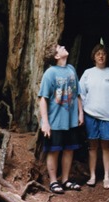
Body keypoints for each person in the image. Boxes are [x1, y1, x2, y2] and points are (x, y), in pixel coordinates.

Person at [79, 44, 109, 189]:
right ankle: (92, 176)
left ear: (106, 57)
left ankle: (107, 176)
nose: (101, 56)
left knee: (106, 145)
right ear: (93, 57)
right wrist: (84, 110)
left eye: (103, 54)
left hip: (108, 117)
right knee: (92, 146)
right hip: (90, 115)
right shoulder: (88, 73)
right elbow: (81, 94)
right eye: (98, 54)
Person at [38, 43, 84, 194]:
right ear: (56, 56)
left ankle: (65, 180)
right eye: (60, 47)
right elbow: (43, 99)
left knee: (69, 150)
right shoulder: (50, 73)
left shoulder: (71, 70)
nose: (64, 46)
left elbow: (77, 94)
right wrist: (45, 122)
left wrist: (80, 113)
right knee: (54, 150)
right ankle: (53, 181)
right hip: (55, 121)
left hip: (70, 120)